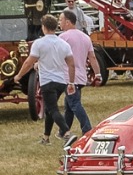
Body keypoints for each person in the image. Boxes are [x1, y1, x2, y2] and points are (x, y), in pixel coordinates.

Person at [15, 13, 78, 145]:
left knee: (53, 109)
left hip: (47, 81)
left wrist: (19, 75)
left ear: (44, 27)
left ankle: (67, 132)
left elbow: (28, 63)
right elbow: (71, 64)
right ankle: (46, 137)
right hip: (61, 81)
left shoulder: (39, 43)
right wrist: (71, 82)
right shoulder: (63, 44)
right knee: (49, 109)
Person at [58, 8, 99, 137]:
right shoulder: (85, 37)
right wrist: (97, 74)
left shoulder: (63, 37)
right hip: (81, 76)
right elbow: (92, 57)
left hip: (69, 76)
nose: (59, 22)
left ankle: (87, 129)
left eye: (61, 19)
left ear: (68, 22)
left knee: (74, 104)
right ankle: (63, 131)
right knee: (69, 105)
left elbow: (57, 56)